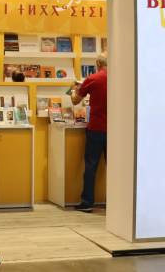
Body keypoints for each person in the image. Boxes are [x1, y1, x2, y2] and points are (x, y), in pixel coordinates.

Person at [70, 53, 107, 213]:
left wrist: (73, 89)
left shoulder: (93, 78)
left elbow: (75, 100)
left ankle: (87, 202)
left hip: (96, 128)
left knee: (91, 166)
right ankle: (117, 202)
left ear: (98, 63)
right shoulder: (121, 78)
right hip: (117, 130)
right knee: (116, 168)